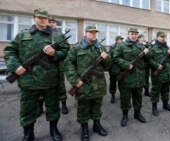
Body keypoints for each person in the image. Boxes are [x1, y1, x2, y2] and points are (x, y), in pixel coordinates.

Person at [4, 8, 69, 141]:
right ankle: (28, 134)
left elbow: (65, 53)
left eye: (44, 18)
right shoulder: (23, 35)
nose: (42, 20)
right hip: (28, 80)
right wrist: (15, 67)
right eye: (39, 17)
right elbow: (9, 51)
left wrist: (54, 54)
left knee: (52, 107)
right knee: (27, 109)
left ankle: (54, 130)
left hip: (50, 80)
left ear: (48, 20)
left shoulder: (56, 36)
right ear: (34, 18)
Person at [64, 25, 111, 141]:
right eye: (91, 32)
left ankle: (97, 125)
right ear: (85, 33)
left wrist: (107, 58)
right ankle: (84, 128)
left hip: (98, 85)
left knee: (97, 107)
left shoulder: (100, 48)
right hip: (83, 84)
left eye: (95, 32)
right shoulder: (76, 48)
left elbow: (108, 66)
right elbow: (69, 65)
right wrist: (75, 80)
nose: (94, 34)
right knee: (83, 108)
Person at [113, 27, 149, 127]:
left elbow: (148, 60)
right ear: (128, 34)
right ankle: (125, 115)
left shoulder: (141, 46)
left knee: (138, 97)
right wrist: (126, 64)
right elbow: (115, 58)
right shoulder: (121, 46)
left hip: (139, 77)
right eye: (132, 33)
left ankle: (137, 113)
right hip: (127, 77)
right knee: (125, 98)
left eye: (135, 34)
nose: (134, 35)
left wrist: (147, 53)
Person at [36, 16, 69, 117]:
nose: (52, 24)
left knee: (60, 85)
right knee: (41, 86)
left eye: (54, 22)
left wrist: (55, 52)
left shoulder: (60, 35)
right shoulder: (40, 34)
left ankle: (63, 104)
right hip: (42, 65)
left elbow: (66, 48)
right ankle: (40, 106)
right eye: (50, 22)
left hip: (58, 64)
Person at [149, 31, 170, 116]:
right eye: (161, 37)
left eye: (164, 37)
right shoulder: (152, 48)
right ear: (157, 37)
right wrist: (157, 65)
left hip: (167, 74)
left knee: (166, 91)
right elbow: (149, 60)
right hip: (158, 74)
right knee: (155, 91)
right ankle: (154, 107)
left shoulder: (166, 48)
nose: (163, 38)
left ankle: (165, 104)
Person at [109, 35, 124, 103]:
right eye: (120, 39)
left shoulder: (124, 47)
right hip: (113, 69)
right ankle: (113, 95)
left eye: (122, 39)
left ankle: (121, 94)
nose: (121, 40)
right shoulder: (112, 47)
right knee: (113, 84)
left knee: (121, 84)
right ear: (117, 40)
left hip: (121, 69)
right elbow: (110, 58)